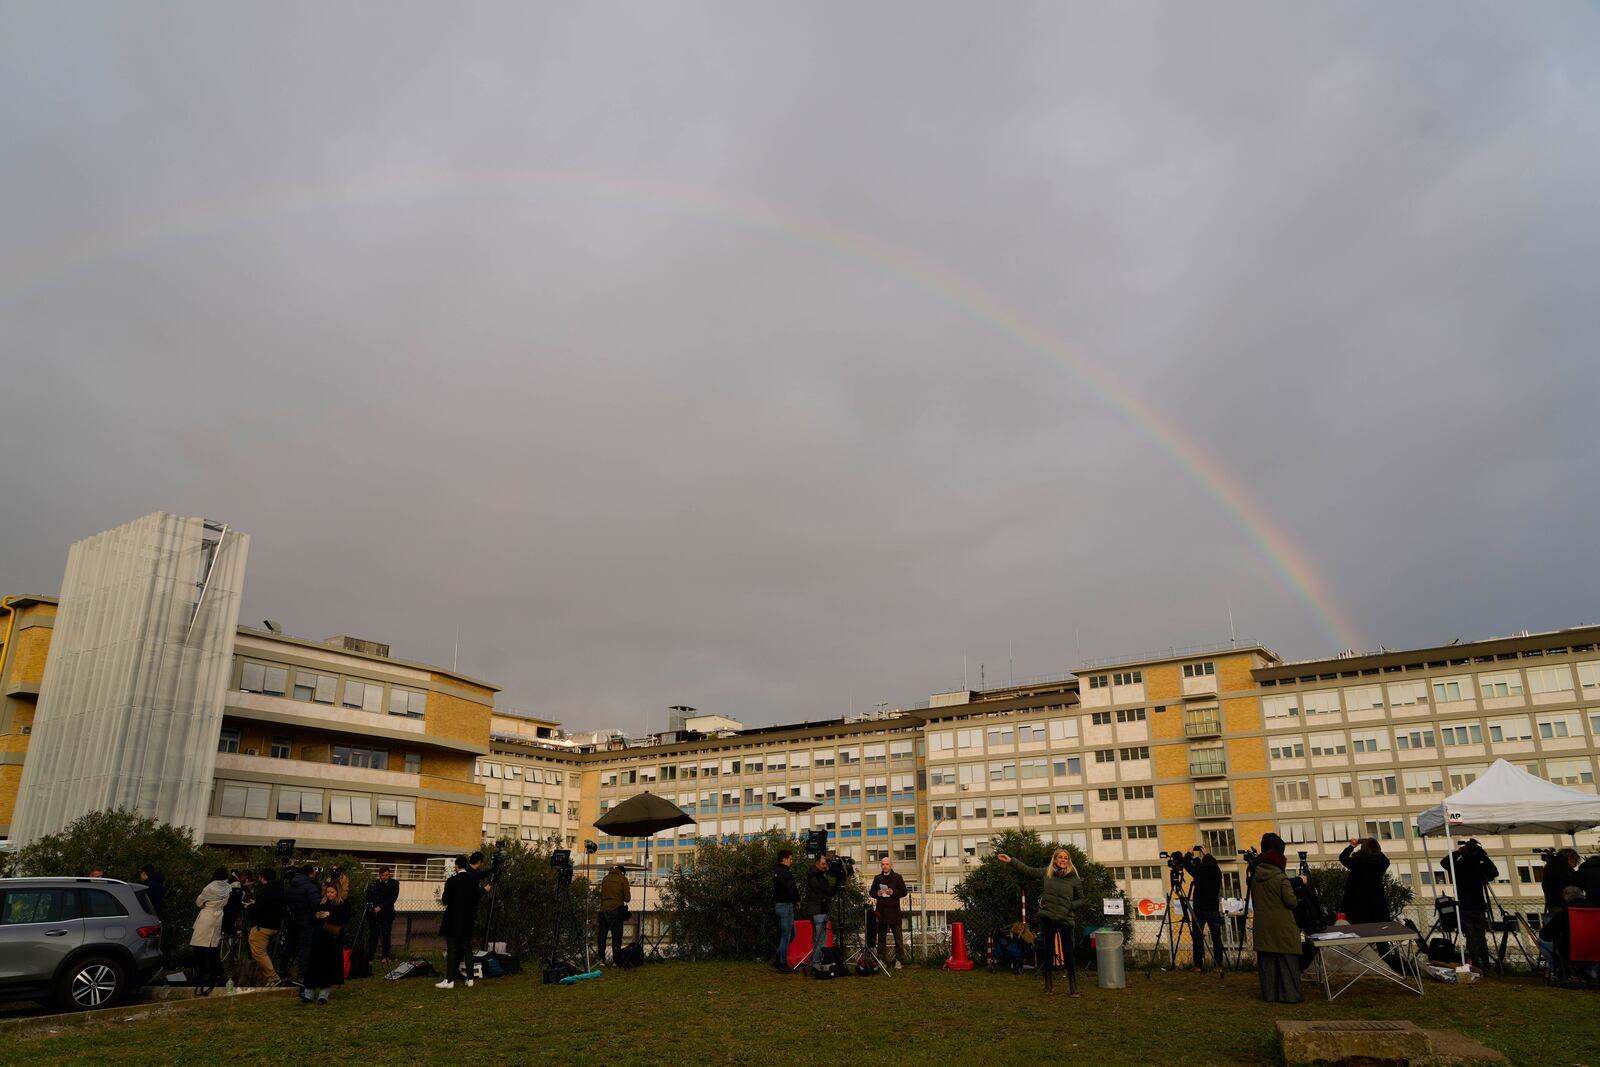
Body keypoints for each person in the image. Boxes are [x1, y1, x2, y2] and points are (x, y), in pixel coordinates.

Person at [997, 848, 1085, 996]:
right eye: (1060, 858)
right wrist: (1011, 861)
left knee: (1068, 952)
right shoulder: (1047, 872)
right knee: (1048, 950)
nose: (1063, 860)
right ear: (1055, 860)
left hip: (1065, 920)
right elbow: (1029, 871)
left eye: (1066, 858)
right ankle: (1048, 983)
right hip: (1048, 918)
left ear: (1069, 861)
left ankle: (1073, 986)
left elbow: (1082, 899)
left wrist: (1071, 905)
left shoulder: (1074, 878)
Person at [1252, 832, 1308, 1004]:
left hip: (1262, 928)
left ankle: (1270, 995)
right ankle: (1289, 995)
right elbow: (1291, 902)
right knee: (1287, 963)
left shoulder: (1255, 877)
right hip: (1283, 928)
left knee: (1268, 964)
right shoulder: (1281, 878)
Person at [1443, 840, 1500, 971]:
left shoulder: (1459, 864)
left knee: (1470, 936)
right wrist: (1483, 856)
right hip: (1478, 904)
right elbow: (1494, 872)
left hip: (1464, 905)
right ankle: (1486, 963)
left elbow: (1444, 862)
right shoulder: (1479, 865)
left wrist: (1458, 852)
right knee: (1481, 936)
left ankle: (1475, 963)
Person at [299, 881, 350, 1005]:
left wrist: (329, 916)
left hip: (332, 940)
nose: (330, 894)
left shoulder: (342, 905)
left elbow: (344, 919)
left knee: (328, 967)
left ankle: (323, 995)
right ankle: (309, 994)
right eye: (328, 892)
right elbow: (311, 921)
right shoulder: (321, 904)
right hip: (319, 939)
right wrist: (317, 917)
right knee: (314, 966)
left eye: (332, 892)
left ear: (337, 892)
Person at [437, 856, 482, 988]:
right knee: (467, 949)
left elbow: (445, 900)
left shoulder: (452, 881)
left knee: (452, 950)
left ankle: (449, 980)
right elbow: (476, 898)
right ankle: (470, 978)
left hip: (453, 919)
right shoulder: (473, 879)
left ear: (456, 866)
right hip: (467, 919)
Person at [1182, 844, 1225, 972]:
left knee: (1198, 937)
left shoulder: (1199, 871)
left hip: (1200, 909)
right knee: (1217, 938)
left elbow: (1187, 865)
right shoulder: (1217, 872)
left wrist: (1189, 852)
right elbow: (1212, 863)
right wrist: (1205, 852)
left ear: (1202, 862)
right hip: (1213, 909)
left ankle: (1198, 965)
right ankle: (1219, 965)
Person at [191, 867, 232, 996]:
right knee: (213, 946)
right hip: (218, 916)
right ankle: (216, 973)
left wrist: (207, 906)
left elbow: (199, 902)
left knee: (199, 946)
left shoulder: (209, 888)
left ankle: (201, 975)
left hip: (206, 916)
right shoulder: (227, 888)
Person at [281, 864, 320, 984]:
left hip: (293, 920)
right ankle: (303, 973)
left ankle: (282, 969)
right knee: (305, 947)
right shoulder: (310, 887)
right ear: (310, 873)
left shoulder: (291, 885)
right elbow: (315, 905)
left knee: (288, 946)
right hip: (306, 921)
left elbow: (285, 902)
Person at [1338, 838, 1391, 924]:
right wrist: (1374, 847)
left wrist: (1352, 845)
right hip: (1376, 904)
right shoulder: (1380, 863)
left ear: (1363, 848)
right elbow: (1387, 861)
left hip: (1356, 904)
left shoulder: (1357, 861)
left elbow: (1343, 857)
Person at [868, 856, 909, 968]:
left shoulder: (897, 877)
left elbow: (904, 892)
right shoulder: (877, 878)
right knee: (881, 939)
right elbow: (871, 892)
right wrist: (877, 893)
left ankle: (899, 960)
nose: (885, 866)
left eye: (887, 864)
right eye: (883, 864)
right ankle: (881, 960)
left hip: (894, 913)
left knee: (898, 938)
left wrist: (893, 892)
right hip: (881, 913)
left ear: (891, 865)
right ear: (881, 866)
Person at [248, 869, 285, 987]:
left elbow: (258, 910)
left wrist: (250, 907)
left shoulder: (265, 891)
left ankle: (273, 977)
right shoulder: (279, 890)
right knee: (263, 953)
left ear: (263, 879)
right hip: (275, 925)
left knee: (258, 953)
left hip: (262, 926)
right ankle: (265, 978)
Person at [806, 855, 836, 974]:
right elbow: (828, 891)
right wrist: (837, 883)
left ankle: (815, 962)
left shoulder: (813, 875)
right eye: (824, 864)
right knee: (821, 939)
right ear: (817, 864)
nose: (826, 867)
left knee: (817, 938)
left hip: (816, 910)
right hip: (819, 910)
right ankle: (816, 963)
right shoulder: (817, 877)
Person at [597, 863, 631, 964]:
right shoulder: (623, 879)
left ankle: (601, 959)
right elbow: (627, 898)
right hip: (616, 911)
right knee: (616, 937)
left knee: (602, 936)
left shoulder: (605, 878)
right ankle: (616, 960)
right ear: (622, 872)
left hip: (604, 910)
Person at [366, 865, 400, 964]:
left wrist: (381, 906)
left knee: (385, 935)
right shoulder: (374, 884)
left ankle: (385, 956)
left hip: (387, 914)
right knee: (373, 935)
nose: (385, 877)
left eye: (387, 875)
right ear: (379, 875)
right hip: (375, 914)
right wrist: (372, 908)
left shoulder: (394, 883)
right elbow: (369, 897)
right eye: (383, 875)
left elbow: (392, 898)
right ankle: (370, 957)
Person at [772, 849, 799, 971]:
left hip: (779, 904)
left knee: (790, 934)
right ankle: (782, 963)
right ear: (784, 859)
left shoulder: (776, 872)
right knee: (787, 935)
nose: (791, 861)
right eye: (790, 859)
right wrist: (796, 900)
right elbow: (791, 889)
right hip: (786, 905)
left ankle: (777, 958)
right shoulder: (786, 873)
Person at [1542, 848, 1580, 917]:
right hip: (1562, 903)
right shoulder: (1563, 867)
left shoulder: (1551, 865)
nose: (1575, 864)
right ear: (1570, 857)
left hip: (1552, 902)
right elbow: (1570, 882)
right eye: (1575, 860)